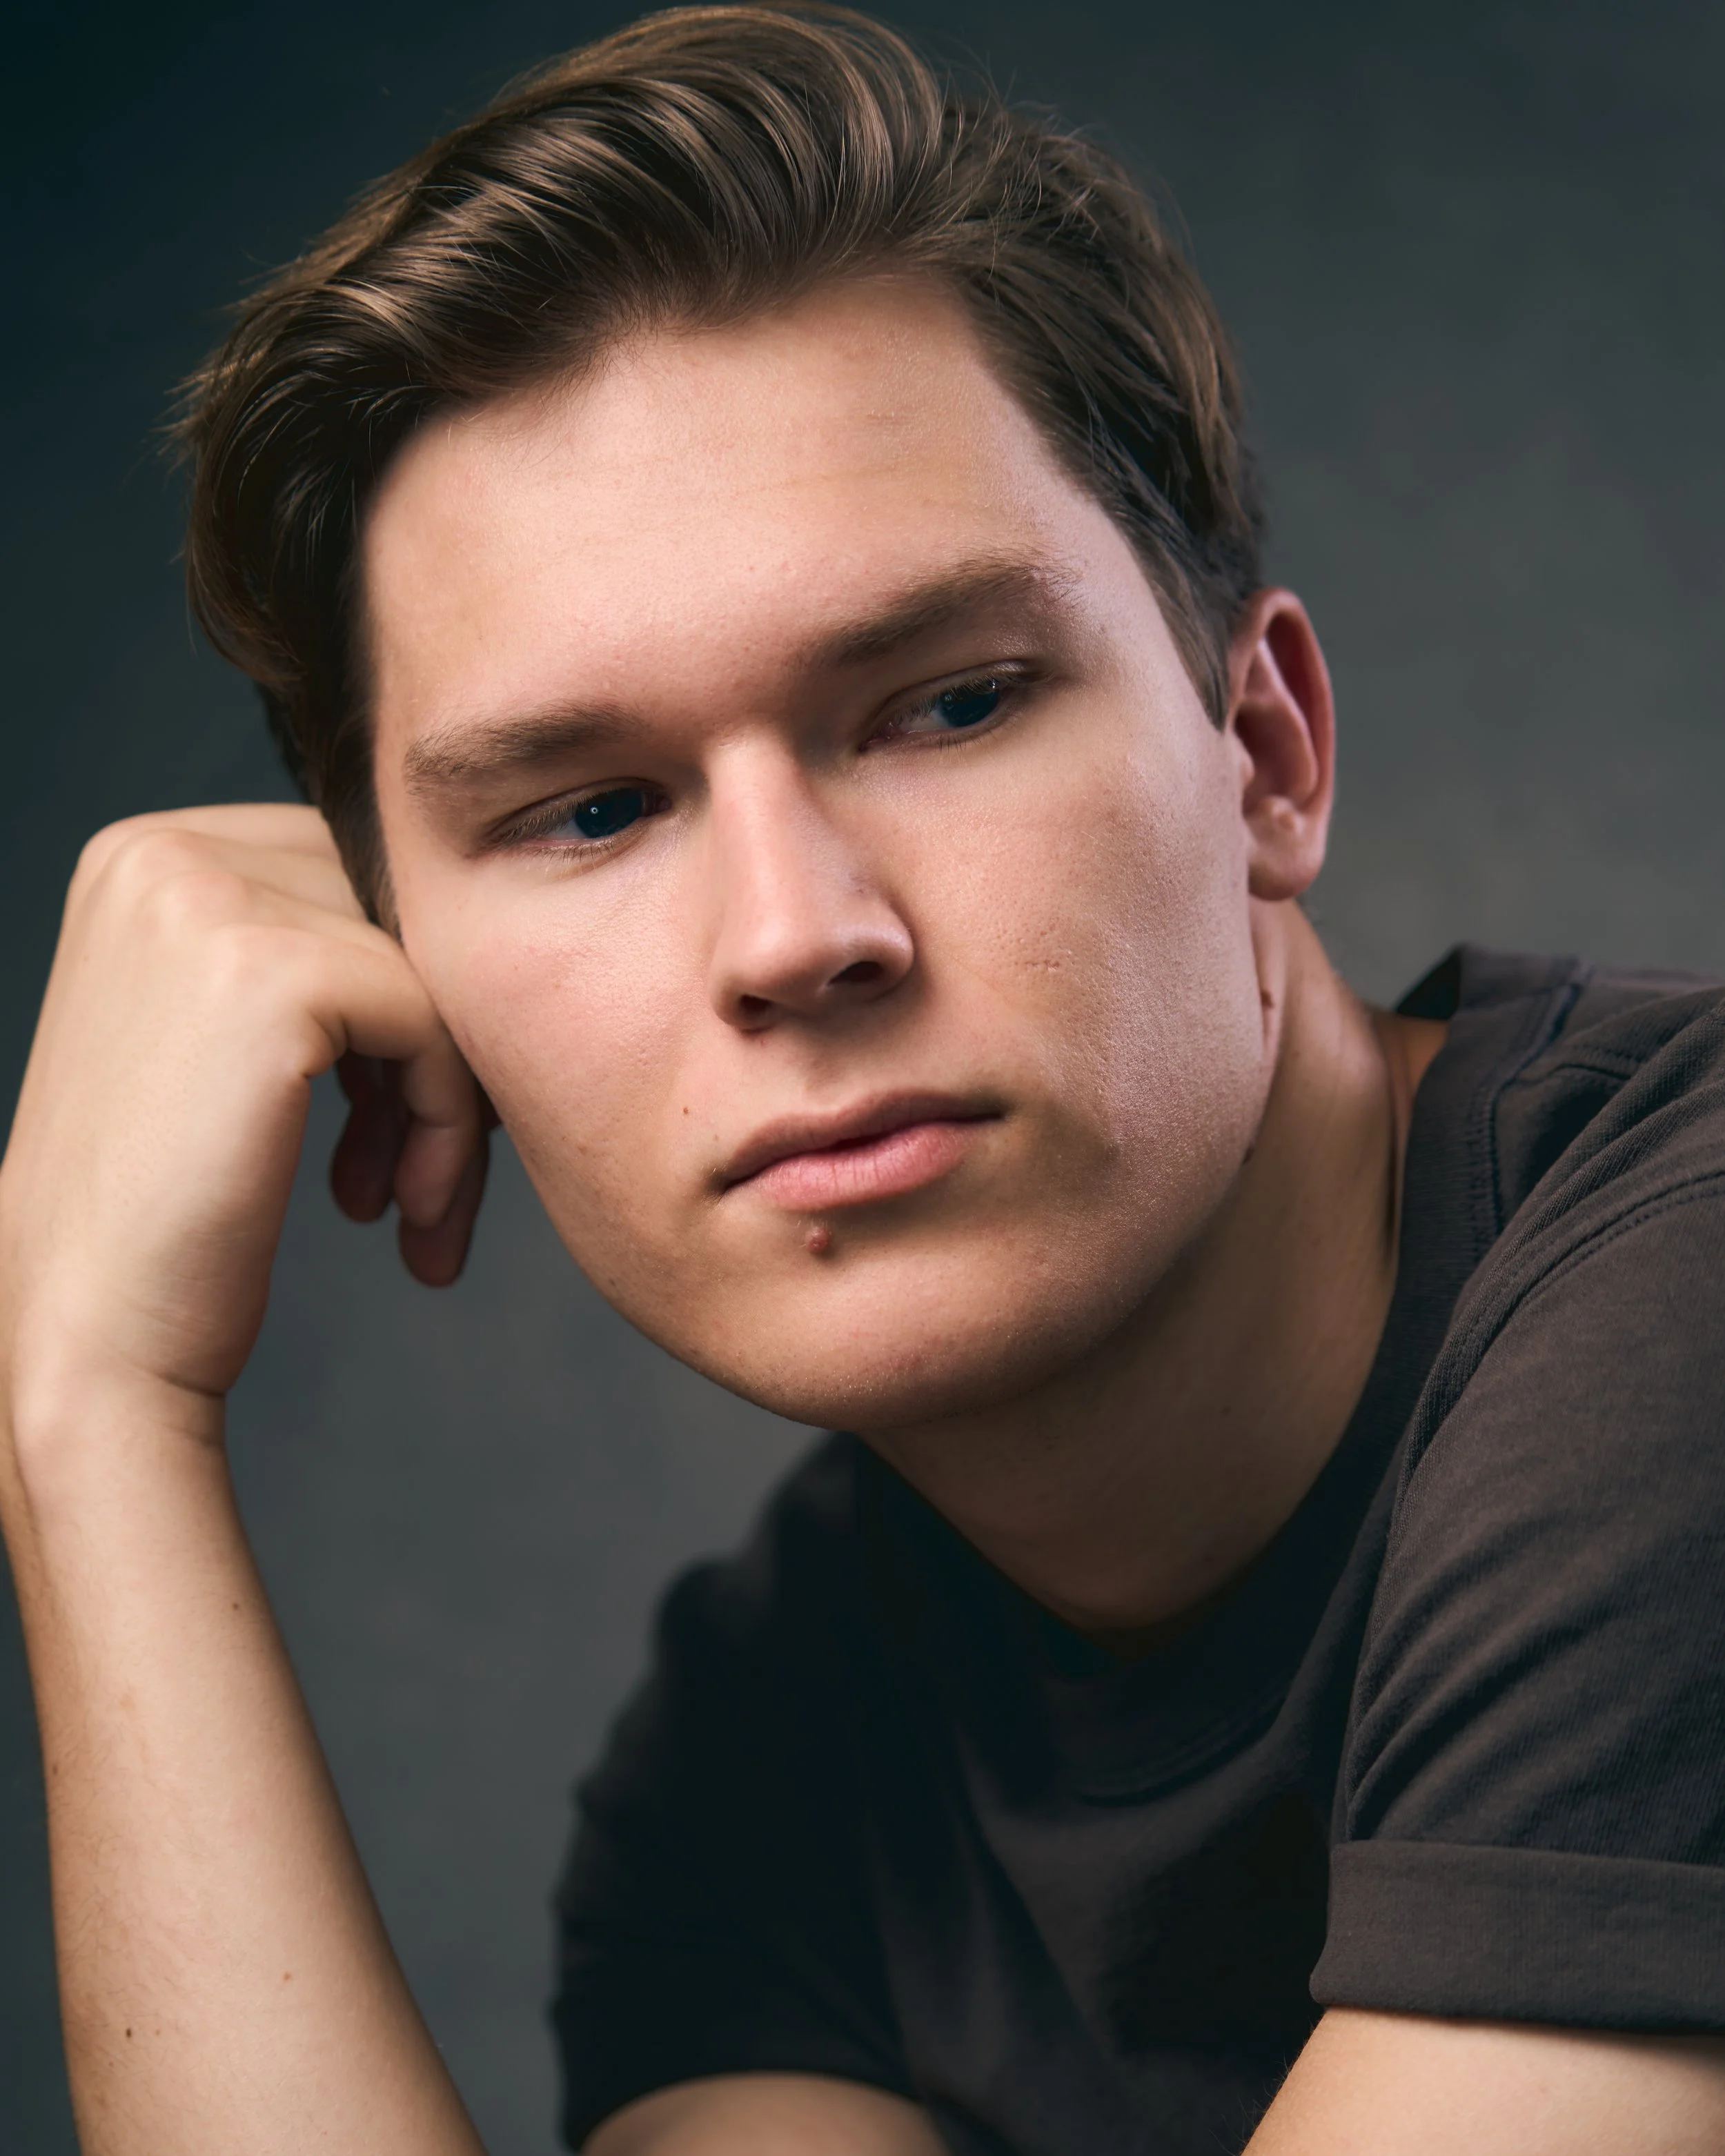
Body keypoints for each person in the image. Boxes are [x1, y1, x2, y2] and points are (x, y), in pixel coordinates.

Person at [2, 5, 1722, 2151]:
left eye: (947, 702)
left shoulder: (1683, 1304)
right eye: (589, 812)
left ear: (1259, 752)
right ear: (412, 978)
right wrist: (91, 1411)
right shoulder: (761, 1758)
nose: (797, 931)